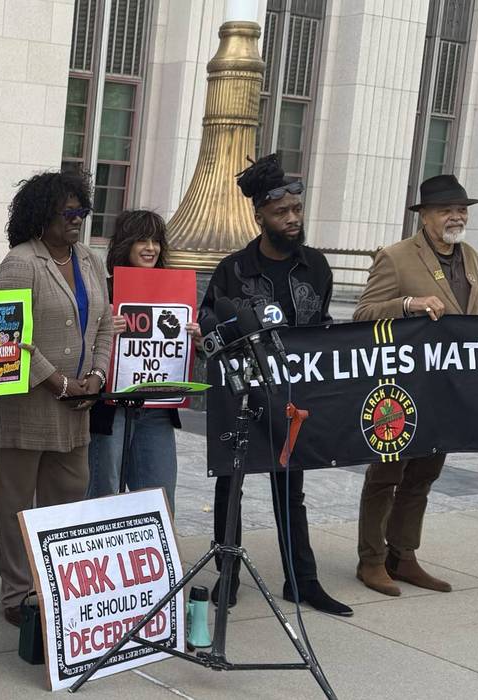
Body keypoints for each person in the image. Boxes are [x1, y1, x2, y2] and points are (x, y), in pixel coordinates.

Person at [352, 174, 478, 596]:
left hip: (449, 388)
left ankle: (403, 554)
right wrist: (407, 305)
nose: (456, 216)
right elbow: (362, 314)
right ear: (424, 216)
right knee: (386, 474)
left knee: (425, 472)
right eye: (447, 209)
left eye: (461, 209)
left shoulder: (471, 257)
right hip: (400, 387)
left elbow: (472, 324)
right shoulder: (394, 257)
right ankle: (371, 560)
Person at [198, 154, 352, 617]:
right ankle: (228, 573)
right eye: (281, 212)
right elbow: (210, 323)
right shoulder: (232, 269)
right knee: (231, 486)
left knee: (292, 490)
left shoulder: (316, 266)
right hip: (242, 396)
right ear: (260, 215)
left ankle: (302, 581)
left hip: (294, 397)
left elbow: (322, 323)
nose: (291, 219)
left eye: (297, 211)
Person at [0, 170, 114, 626]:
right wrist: (58, 382)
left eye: (83, 210)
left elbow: (103, 323)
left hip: (79, 404)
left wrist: (97, 377)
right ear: (41, 215)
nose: (78, 219)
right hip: (29, 403)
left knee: (68, 497)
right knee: (17, 504)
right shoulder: (21, 262)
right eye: (69, 212)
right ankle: (18, 593)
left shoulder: (88, 259)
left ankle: (57, 586)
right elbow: (6, 337)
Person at [87, 210, 200, 507]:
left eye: (156, 241)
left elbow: (184, 357)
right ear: (126, 244)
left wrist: (194, 340)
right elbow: (80, 345)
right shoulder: (101, 288)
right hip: (111, 407)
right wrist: (104, 332)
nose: (151, 248)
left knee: (159, 496)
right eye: (142, 240)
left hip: (157, 408)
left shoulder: (175, 293)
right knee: (104, 494)